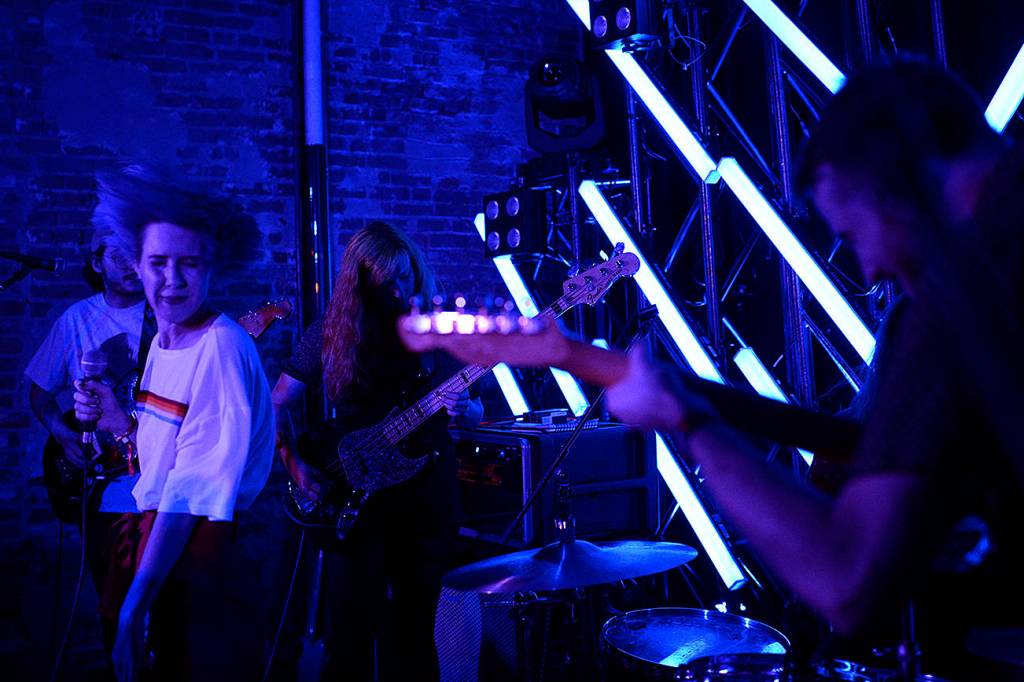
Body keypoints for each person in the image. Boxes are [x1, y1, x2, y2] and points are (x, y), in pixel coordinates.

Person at [605, 60, 1024, 677]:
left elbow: (845, 582)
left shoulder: (950, 293)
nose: (871, 269)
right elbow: (896, 438)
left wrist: (689, 424)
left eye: (852, 235)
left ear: (893, 179)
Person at [72, 173, 274, 682]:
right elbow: (166, 458)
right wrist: (118, 422)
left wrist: (134, 608)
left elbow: (189, 493)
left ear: (212, 268)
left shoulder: (220, 346)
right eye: (158, 263)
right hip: (165, 555)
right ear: (136, 265)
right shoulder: (164, 344)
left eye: (189, 264)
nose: (172, 280)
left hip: (201, 565)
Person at [272, 221, 483, 681]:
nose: (400, 290)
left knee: (416, 632)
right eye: (387, 283)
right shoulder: (332, 331)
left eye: (405, 276)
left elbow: (475, 411)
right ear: (361, 284)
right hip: (356, 499)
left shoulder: (439, 328)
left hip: (426, 497)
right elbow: (277, 401)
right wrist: (294, 462)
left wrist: (464, 408)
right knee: (349, 633)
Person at [25, 167, 150, 655]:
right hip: (101, 483)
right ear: (96, 262)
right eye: (117, 254)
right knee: (113, 605)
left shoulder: (165, 318)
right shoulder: (76, 318)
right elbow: (39, 392)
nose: (129, 264)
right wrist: (60, 433)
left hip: (155, 474)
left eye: (136, 254)